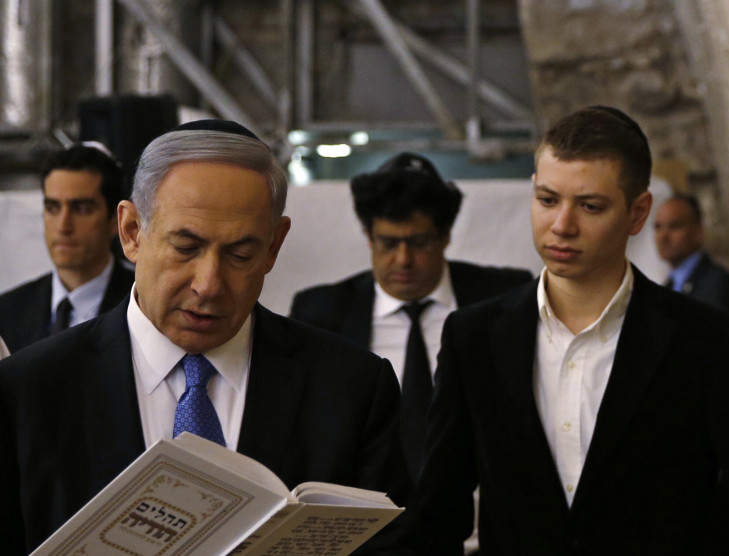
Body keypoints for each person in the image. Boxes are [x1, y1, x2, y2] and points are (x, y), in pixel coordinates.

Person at [0, 120, 418, 555]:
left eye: (240, 255)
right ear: (131, 232)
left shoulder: (351, 389)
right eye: (186, 248)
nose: (209, 284)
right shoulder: (28, 392)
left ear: (275, 246)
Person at [416, 106, 729, 555]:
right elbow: (437, 517)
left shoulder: (705, 342)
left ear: (638, 212)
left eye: (590, 206)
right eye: (548, 200)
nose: (562, 225)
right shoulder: (474, 337)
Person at [289, 152, 532, 480]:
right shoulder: (321, 312)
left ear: (445, 235)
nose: (403, 260)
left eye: (419, 243)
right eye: (388, 243)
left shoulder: (505, 298)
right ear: (368, 235)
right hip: (368, 510)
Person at [0, 143, 134, 354]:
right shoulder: (8, 311)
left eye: (81, 209)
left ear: (115, 221)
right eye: (52, 208)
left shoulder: (143, 305)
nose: (63, 226)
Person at [654, 193, 729, 320]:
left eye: (675, 226)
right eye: (657, 227)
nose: (663, 237)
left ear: (698, 231)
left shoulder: (719, 285)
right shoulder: (665, 289)